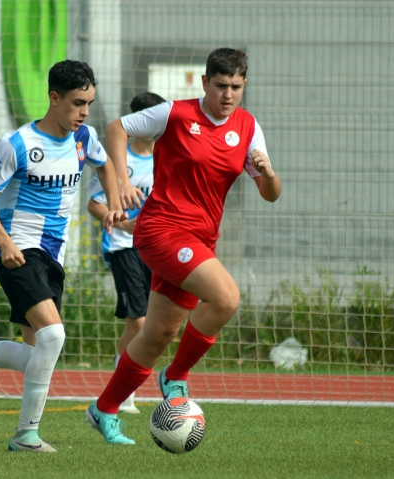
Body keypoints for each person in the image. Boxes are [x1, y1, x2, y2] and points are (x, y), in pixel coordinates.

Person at [85, 47, 282, 444]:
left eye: (237, 87)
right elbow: (115, 128)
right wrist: (121, 181)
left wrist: (268, 173)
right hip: (161, 229)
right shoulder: (174, 113)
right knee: (226, 298)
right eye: (222, 85)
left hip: (201, 238)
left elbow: (270, 194)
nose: (229, 95)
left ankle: (103, 409)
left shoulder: (247, 127)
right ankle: (175, 377)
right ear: (206, 83)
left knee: (157, 334)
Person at [0, 60, 126, 453]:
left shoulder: (84, 138)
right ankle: (26, 436)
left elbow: (106, 164)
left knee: (36, 355)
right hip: (18, 253)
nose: (84, 112)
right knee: (54, 336)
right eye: (78, 103)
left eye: (90, 104)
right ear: (54, 98)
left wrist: (112, 202)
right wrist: (5, 242)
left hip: (52, 256)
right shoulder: (18, 144)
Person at [86, 92, 166, 415]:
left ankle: (124, 386)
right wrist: (121, 224)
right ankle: (123, 392)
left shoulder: (167, 155)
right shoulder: (121, 162)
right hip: (124, 246)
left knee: (155, 323)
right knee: (139, 319)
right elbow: (94, 203)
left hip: (158, 247)